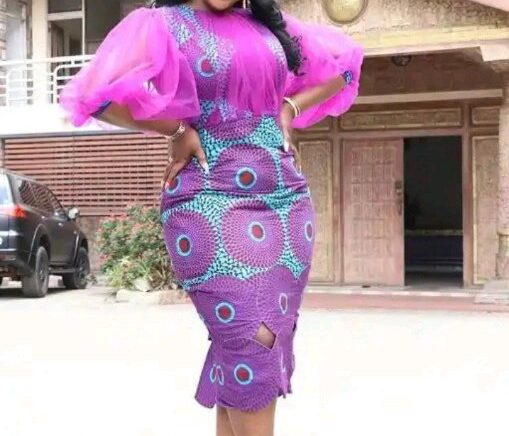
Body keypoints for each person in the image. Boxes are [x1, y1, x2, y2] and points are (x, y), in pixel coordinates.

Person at [60, 1, 363, 434]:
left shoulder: (266, 25)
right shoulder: (162, 24)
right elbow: (95, 95)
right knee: (252, 338)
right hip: (208, 198)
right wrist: (177, 129)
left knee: (255, 346)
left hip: (285, 199)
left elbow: (344, 69)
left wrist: (288, 110)